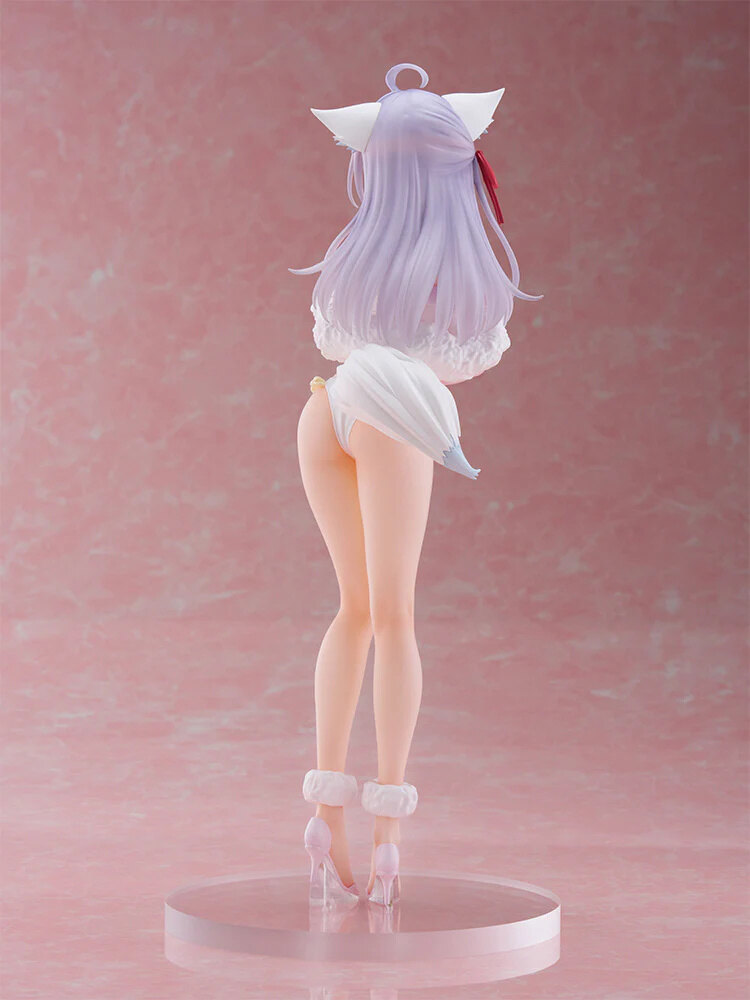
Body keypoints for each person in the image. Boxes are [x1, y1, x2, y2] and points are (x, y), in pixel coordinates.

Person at [290, 62, 542, 908]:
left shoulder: (352, 262)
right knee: (393, 618)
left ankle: (322, 818)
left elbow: (333, 343)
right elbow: (468, 358)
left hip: (325, 410)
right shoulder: (457, 265)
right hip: (390, 415)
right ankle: (389, 836)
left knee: (352, 610)